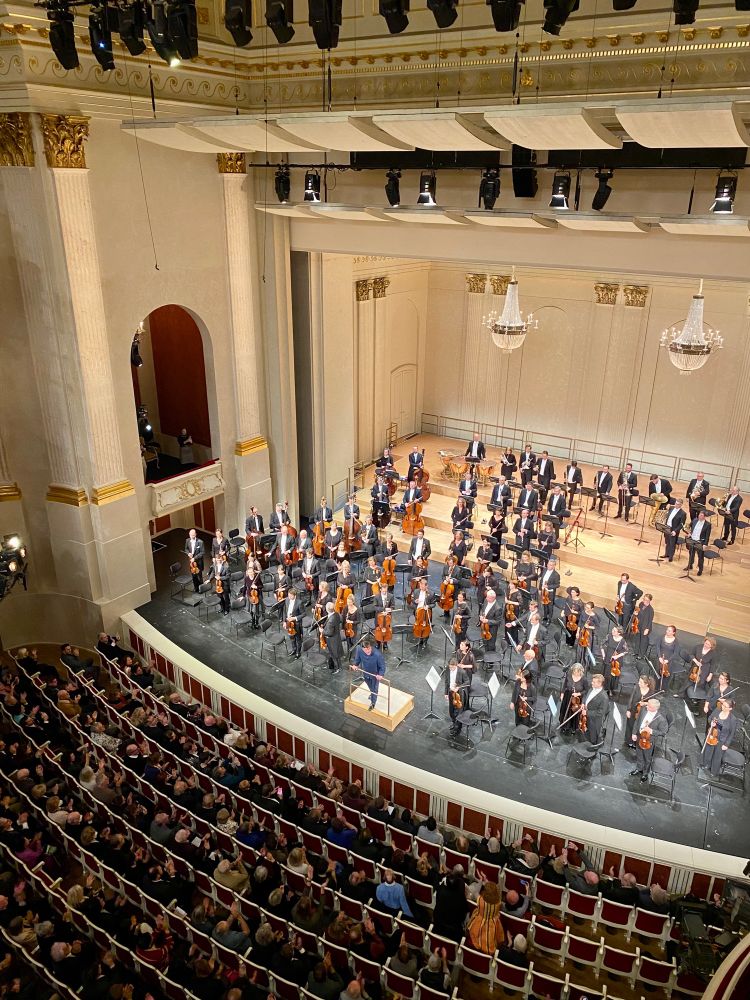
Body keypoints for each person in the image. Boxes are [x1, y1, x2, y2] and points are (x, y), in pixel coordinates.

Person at [630, 698, 669, 781]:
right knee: (639, 753)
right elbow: (637, 721)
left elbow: (663, 732)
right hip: (639, 736)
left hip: (648, 740)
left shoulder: (661, 719)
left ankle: (645, 773)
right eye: (647, 705)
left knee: (647, 757)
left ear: (654, 708)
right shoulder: (644, 709)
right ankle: (639, 768)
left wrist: (651, 731)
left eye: (649, 706)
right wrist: (634, 733)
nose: (646, 706)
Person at [701, 699, 738, 777]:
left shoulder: (733, 719)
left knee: (717, 756)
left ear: (730, 708)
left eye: (725, 706)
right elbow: (710, 718)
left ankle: (713, 771)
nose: (723, 707)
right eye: (723, 705)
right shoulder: (717, 710)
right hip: (712, 735)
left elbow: (732, 733)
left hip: (722, 740)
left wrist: (726, 745)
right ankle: (706, 765)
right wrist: (711, 722)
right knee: (708, 751)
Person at [466, 881, 504, 953]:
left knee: (474, 932)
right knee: (491, 937)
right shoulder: (498, 903)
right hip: (492, 922)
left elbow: (475, 893)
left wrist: (481, 881)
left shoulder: (481, 900)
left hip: (479, 919)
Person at [350, 639, 386, 711]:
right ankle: (372, 694)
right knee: (370, 686)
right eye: (366, 650)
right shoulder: (359, 650)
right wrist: (355, 665)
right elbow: (357, 659)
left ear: (370, 647)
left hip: (375, 675)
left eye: (369, 649)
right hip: (366, 672)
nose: (368, 652)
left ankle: (373, 703)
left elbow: (382, 666)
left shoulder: (377, 654)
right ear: (362, 649)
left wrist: (380, 674)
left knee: (374, 689)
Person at [625, 675, 656, 743]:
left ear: (646, 684)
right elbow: (631, 699)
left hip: (643, 713)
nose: (638, 683)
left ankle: (636, 742)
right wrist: (628, 710)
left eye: (641, 682)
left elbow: (653, 703)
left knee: (639, 727)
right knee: (630, 725)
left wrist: (645, 703)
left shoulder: (651, 692)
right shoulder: (636, 687)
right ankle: (628, 741)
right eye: (639, 681)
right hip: (633, 710)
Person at [445, 657, 471, 736]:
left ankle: (458, 728)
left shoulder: (462, 672)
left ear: (456, 665)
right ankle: (454, 722)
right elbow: (446, 681)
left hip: (459, 694)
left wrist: (458, 687)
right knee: (451, 710)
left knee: (459, 711)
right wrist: (446, 693)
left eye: (452, 667)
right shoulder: (447, 669)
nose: (451, 669)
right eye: (450, 667)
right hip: (451, 692)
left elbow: (467, 682)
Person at [560, 664, 589, 734]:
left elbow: (586, 691)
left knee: (574, 713)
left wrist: (579, 694)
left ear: (580, 671)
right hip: (567, 696)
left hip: (577, 699)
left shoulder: (584, 679)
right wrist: (562, 693)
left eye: (577, 672)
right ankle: (564, 726)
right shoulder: (569, 674)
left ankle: (573, 727)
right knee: (565, 711)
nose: (575, 674)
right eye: (574, 672)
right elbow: (565, 685)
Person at [582, 673, 609, 744]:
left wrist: (587, 713)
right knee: (586, 733)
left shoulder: (604, 697)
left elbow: (601, 712)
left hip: (594, 721)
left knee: (592, 737)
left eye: (594, 682)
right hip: (586, 718)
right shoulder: (591, 688)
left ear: (600, 684)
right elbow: (586, 695)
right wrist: (583, 703)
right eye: (592, 681)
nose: (592, 683)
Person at [601, 626, 627, 695]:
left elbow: (626, 651)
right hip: (608, 658)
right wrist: (603, 655)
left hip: (617, 661)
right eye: (613, 629)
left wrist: (617, 656)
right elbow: (602, 645)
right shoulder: (609, 636)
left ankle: (611, 689)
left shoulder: (622, 641)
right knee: (607, 674)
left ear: (619, 633)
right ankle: (605, 688)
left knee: (614, 675)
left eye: (614, 631)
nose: (612, 631)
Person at [686, 510, 711, 575]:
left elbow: (707, 536)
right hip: (692, 540)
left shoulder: (708, 525)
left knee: (700, 557)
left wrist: (705, 544)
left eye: (701, 515)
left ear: (704, 517)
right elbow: (689, 526)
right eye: (699, 514)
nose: (699, 516)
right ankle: (690, 565)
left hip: (700, 542)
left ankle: (700, 570)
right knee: (691, 554)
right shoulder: (695, 520)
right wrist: (689, 533)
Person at [537, 556, 560, 625]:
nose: (550, 566)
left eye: (552, 565)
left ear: (554, 566)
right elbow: (541, 580)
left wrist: (548, 586)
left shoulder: (556, 575)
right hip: (543, 591)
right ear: (547, 564)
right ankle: (545, 616)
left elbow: (557, 585)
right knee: (544, 604)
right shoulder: (544, 570)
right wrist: (540, 589)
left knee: (550, 606)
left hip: (550, 593)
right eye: (549, 564)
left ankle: (549, 619)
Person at [322, 602, 343, 673]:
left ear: (327, 609)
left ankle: (337, 668)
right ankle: (332, 665)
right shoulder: (336, 614)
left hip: (332, 640)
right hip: (336, 637)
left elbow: (329, 633)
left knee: (334, 654)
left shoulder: (331, 621)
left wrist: (322, 631)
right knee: (334, 654)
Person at [284, 588, 304, 658]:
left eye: (290, 596)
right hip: (289, 623)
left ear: (294, 595)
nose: (289, 597)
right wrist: (284, 621)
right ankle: (294, 649)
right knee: (291, 637)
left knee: (298, 638)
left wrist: (294, 618)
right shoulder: (287, 600)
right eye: (288, 595)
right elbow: (285, 611)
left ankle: (298, 652)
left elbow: (304, 614)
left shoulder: (299, 602)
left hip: (296, 624)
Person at [633, 593, 654, 658]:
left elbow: (650, 621)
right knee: (637, 638)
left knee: (643, 641)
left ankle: (641, 655)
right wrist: (636, 613)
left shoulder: (651, 610)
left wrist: (647, 629)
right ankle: (636, 652)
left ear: (649, 601)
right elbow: (638, 611)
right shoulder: (641, 604)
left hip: (645, 627)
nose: (644, 601)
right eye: (644, 599)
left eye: (646, 600)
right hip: (638, 624)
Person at [184, 528, 205, 592]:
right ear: (189, 534)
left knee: (199, 576)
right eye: (191, 535)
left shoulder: (200, 542)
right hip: (191, 562)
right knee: (193, 575)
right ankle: (196, 588)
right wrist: (188, 553)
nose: (192, 536)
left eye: (193, 535)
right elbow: (186, 549)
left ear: (196, 534)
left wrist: (194, 558)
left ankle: (201, 589)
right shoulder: (187, 540)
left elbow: (202, 552)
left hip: (198, 561)